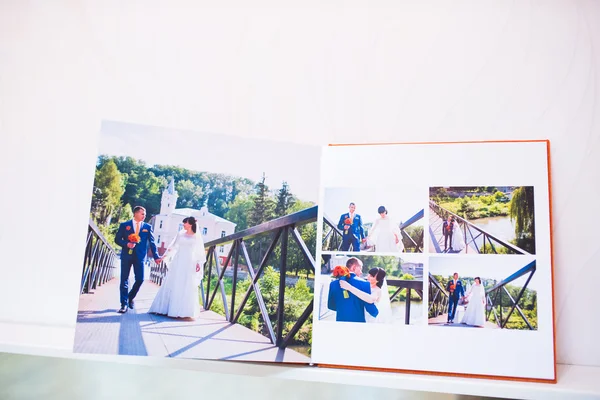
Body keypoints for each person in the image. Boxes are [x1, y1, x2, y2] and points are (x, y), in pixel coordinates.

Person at [149, 216, 207, 319]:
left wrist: (198, 262)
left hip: (190, 261)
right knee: (174, 281)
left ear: (190, 224)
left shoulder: (196, 236)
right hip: (178, 259)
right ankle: (166, 308)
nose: (183, 225)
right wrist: (164, 256)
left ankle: (184, 311)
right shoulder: (180, 234)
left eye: (185, 223)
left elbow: (199, 251)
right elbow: (173, 247)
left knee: (186, 283)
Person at [115, 206, 161, 313]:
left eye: (144, 214)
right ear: (135, 213)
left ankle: (130, 297)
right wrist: (127, 244)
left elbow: (152, 243)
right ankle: (123, 304)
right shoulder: (124, 225)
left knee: (140, 279)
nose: (144, 216)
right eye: (142, 214)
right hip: (126, 256)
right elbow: (117, 239)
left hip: (140, 257)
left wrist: (156, 256)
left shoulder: (147, 227)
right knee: (124, 280)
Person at [327, 257, 379, 322]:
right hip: (358, 324)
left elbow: (330, 305)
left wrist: (343, 308)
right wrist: (378, 313)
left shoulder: (333, 284)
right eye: (360, 268)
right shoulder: (364, 284)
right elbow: (370, 309)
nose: (361, 272)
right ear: (354, 267)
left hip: (340, 323)